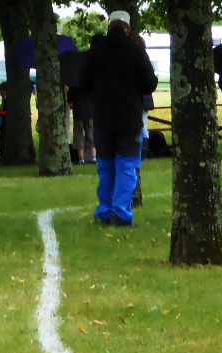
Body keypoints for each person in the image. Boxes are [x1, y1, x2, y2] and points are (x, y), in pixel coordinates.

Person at [79, 11, 156, 226]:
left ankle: (104, 211)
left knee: (106, 167)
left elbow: (83, 82)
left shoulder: (96, 52)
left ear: (109, 28)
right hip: (129, 117)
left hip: (103, 117)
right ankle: (121, 213)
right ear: (128, 29)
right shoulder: (136, 51)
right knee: (127, 166)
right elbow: (150, 84)